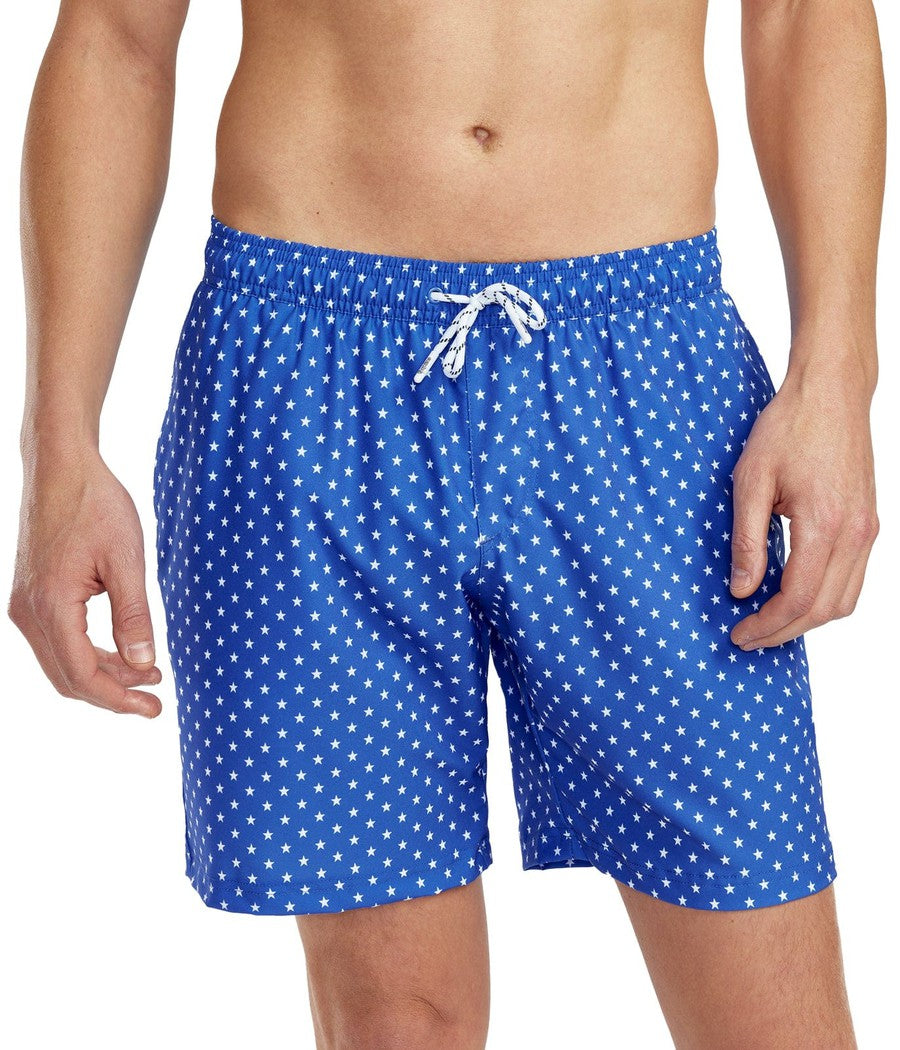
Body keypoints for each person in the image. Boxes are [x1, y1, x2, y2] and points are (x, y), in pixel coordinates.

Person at [9, 0, 884, 1047]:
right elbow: (116, 36)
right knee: (397, 1022)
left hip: (643, 372)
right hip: (303, 372)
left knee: (773, 1016)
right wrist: (58, 445)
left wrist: (839, 375)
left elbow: (803, 11)